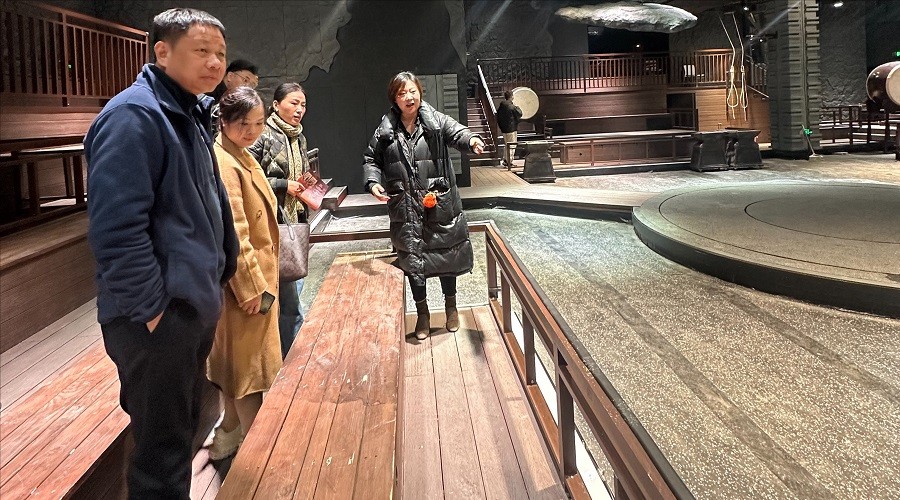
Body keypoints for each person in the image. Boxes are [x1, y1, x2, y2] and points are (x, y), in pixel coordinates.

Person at [84, 8, 238, 499]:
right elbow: (116, 230)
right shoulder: (134, 116)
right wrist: (154, 313)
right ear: (163, 52)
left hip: (187, 307)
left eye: (220, 53)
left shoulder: (188, 112)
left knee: (178, 435)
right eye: (202, 51)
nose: (215, 63)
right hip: (154, 319)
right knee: (160, 456)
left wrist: (218, 275)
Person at [363, 71, 485, 340]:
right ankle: (423, 314)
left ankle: (451, 308)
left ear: (420, 93)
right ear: (394, 99)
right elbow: (371, 159)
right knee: (413, 260)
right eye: (402, 93)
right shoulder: (385, 131)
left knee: (445, 255)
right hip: (405, 206)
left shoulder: (436, 121)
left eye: (413, 91)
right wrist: (372, 182)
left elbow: (458, 132)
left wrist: (472, 140)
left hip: (437, 203)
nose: (409, 97)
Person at [206, 86, 282, 460]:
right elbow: (234, 230)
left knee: (236, 368)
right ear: (223, 121)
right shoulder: (225, 162)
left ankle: (228, 434)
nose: (252, 131)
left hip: (249, 281)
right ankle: (257, 456)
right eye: (243, 124)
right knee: (248, 373)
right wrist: (251, 288)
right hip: (246, 286)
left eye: (258, 123)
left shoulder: (238, 153)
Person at [248, 82, 311, 358]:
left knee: (293, 283)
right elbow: (249, 176)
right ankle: (291, 356)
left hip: (293, 219)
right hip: (271, 223)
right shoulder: (262, 134)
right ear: (275, 105)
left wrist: (306, 184)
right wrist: (285, 184)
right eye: (293, 103)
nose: (299, 109)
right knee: (288, 296)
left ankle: (285, 350)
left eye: (303, 105)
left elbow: (300, 172)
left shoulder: (299, 136)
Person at [208, 59, 259, 136]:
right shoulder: (209, 93)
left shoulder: (239, 101)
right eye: (245, 80)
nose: (248, 87)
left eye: (252, 85)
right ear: (230, 76)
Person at [496, 90, 522, 167]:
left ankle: (505, 159)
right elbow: (519, 113)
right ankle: (509, 162)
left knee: (507, 144)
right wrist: (517, 107)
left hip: (504, 128)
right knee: (512, 145)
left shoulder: (501, 106)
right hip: (511, 128)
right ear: (511, 97)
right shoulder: (511, 106)